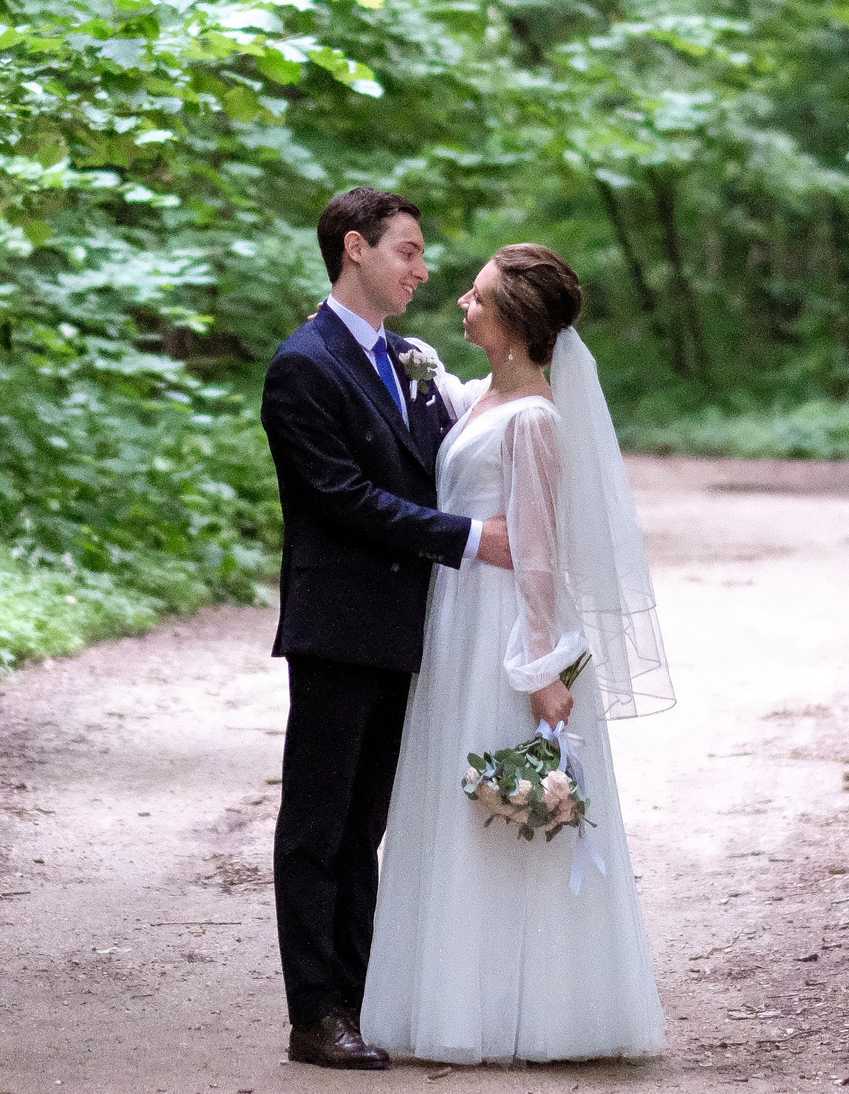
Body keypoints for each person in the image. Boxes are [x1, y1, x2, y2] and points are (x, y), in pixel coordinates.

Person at [361, 243, 672, 1064]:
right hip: (456, 619)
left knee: (504, 805)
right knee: (459, 805)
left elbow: (538, 552)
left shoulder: (534, 418)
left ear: (511, 325)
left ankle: (521, 1009)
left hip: (501, 630)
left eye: (478, 295)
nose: (461, 299)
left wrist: (543, 670)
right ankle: (456, 993)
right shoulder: (486, 398)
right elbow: (455, 411)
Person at [258, 188, 518, 1071]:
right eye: (407, 251)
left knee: (372, 821)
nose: (422, 268)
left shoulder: (410, 357)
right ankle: (315, 1012)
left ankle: (364, 996)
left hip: (413, 626)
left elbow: (457, 448)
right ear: (355, 248)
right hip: (338, 624)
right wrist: (471, 540)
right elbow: (341, 498)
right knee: (319, 826)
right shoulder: (304, 364)